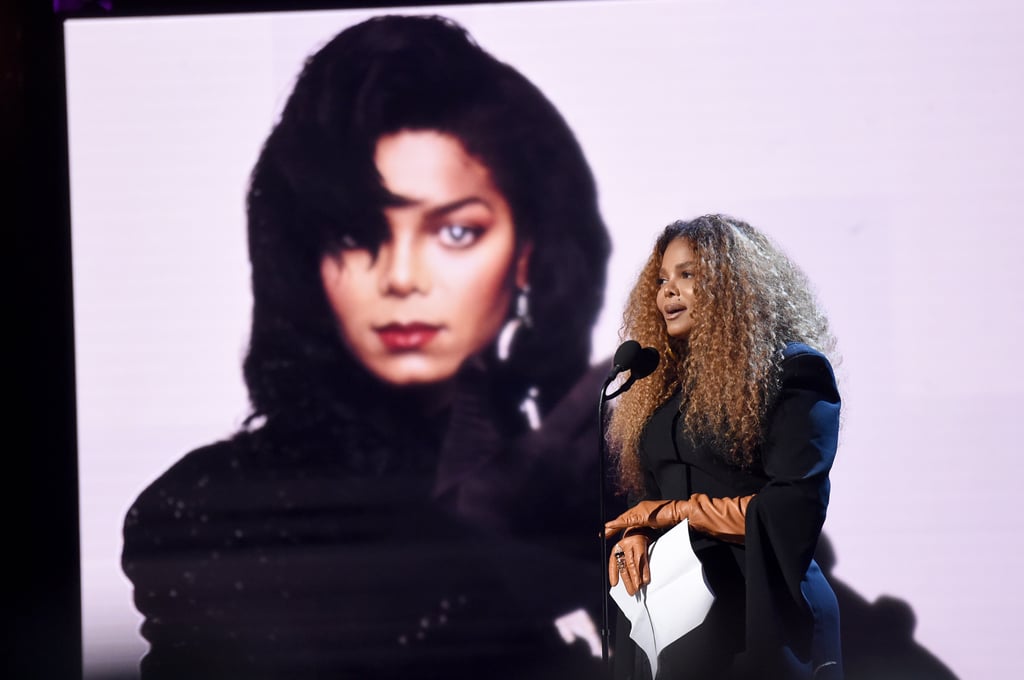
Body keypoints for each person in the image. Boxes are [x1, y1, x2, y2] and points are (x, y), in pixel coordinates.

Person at [121, 14, 615, 680]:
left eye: (457, 232)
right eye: (355, 236)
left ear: (527, 253)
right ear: (307, 255)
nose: (401, 277)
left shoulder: (609, 485)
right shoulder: (211, 511)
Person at [603, 215, 843, 679]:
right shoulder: (663, 387)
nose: (667, 292)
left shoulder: (792, 373)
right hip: (673, 612)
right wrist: (637, 536)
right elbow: (647, 496)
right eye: (661, 279)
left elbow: (790, 508)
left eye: (686, 275)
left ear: (734, 284)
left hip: (759, 606)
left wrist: (672, 514)